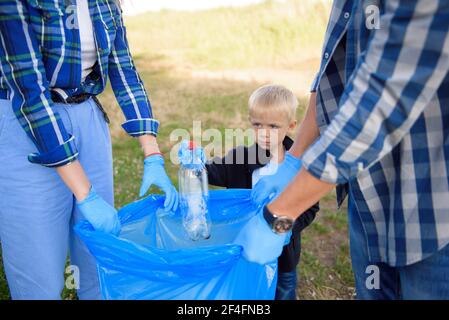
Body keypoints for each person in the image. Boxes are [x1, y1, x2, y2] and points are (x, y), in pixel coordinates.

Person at [235, 0, 449, 299]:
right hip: (370, 191)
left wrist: (281, 213)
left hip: (433, 205)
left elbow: (385, 92)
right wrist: (293, 161)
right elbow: (330, 76)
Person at [0, 0, 177, 299]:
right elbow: (29, 93)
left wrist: (153, 153)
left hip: (86, 115)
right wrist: (86, 193)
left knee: (98, 261)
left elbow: (123, 67)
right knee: (39, 277)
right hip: (26, 126)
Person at [203, 85, 319, 300]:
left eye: (274, 126)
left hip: (285, 254)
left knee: (283, 291)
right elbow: (212, 172)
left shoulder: (300, 165)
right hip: (245, 245)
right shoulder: (241, 157)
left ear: (291, 125)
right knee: (245, 291)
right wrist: (196, 164)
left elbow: (311, 206)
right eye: (258, 125)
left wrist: (288, 229)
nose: (264, 133)